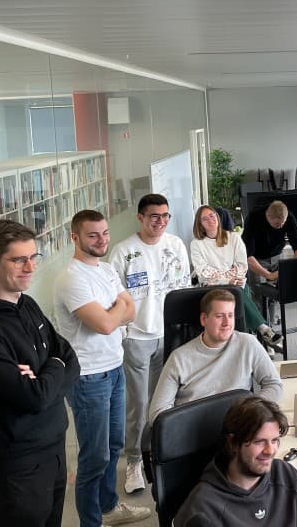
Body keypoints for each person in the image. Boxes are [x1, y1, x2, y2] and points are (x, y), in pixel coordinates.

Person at [0, 218, 80, 527]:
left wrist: (45, 371)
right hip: (16, 463)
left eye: (33, 257)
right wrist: (53, 367)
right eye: (19, 260)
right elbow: (33, 397)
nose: (30, 267)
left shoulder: (27, 304)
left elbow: (71, 361)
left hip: (54, 447)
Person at [54, 210, 151, 527]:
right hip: (87, 377)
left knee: (113, 446)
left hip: (114, 368)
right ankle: (91, 522)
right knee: (94, 456)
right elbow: (106, 324)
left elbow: (131, 311)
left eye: (105, 233)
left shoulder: (107, 269)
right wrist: (115, 311)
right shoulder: (72, 278)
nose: (102, 240)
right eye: (93, 235)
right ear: (75, 237)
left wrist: (114, 312)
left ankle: (109, 508)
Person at [110, 193, 192, 495]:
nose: (160, 221)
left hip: (169, 335)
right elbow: (113, 297)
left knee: (166, 402)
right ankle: (134, 460)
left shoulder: (176, 245)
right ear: (140, 218)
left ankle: (160, 453)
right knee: (139, 404)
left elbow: (184, 288)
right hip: (137, 337)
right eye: (154, 216)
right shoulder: (123, 251)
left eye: (165, 216)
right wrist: (122, 332)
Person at [175, 396, 297, 527]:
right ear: (233, 443)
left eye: (274, 440)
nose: (270, 451)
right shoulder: (202, 510)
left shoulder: (283, 472)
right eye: (259, 441)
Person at [148, 289, 283, 425]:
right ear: (204, 319)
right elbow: (157, 414)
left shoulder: (247, 343)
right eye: (219, 316)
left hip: (238, 427)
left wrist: (250, 410)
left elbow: (274, 384)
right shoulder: (179, 358)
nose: (226, 323)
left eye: (230, 315)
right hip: (194, 430)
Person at [190, 204, 282, 349]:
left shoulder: (233, 238)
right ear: (200, 224)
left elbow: (242, 264)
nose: (210, 220)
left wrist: (231, 277)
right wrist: (228, 279)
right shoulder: (196, 244)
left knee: (240, 291)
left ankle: (249, 342)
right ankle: (262, 330)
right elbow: (203, 272)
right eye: (205, 218)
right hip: (212, 287)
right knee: (239, 293)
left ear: (218, 218)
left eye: (212, 216)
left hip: (236, 282)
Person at [242, 199, 297, 321]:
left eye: (283, 224)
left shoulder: (288, 216)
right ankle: (262, 328)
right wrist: (268, 275)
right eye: (277, 224)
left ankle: (270, 324)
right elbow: (248, 256)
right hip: (257, 259)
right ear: (268, 216)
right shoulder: (253, 218)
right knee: (259, 296)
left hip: (277, 256)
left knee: (274, 294)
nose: (281, 227)